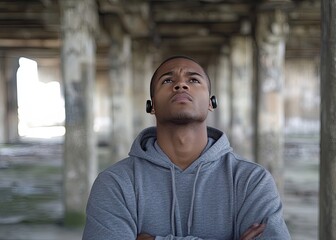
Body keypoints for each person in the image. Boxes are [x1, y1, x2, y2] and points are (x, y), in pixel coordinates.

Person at [82, 56, 290, 240]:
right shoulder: (116, 182)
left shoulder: (251, 180)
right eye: (168, 80)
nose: (181, 85)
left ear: (211, 102)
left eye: (193, 80)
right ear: (151, 105)